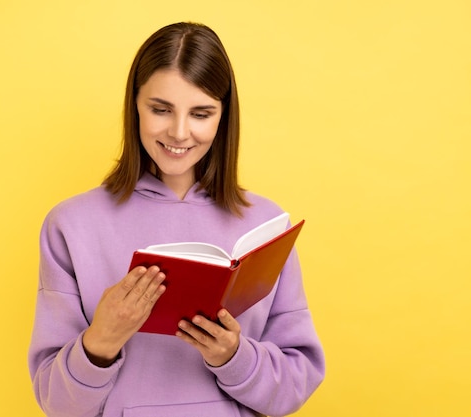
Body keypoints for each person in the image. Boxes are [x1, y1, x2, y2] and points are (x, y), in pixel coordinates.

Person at [28, 22, 325, 417]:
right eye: (160, 109)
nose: (180, 132)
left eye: (201, 113)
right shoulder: (70, 225)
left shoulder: (266, 224)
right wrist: (101, 340)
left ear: (224, 116)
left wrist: (235, 356)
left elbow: (294, 387)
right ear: (134, 104)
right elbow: (57, 405)